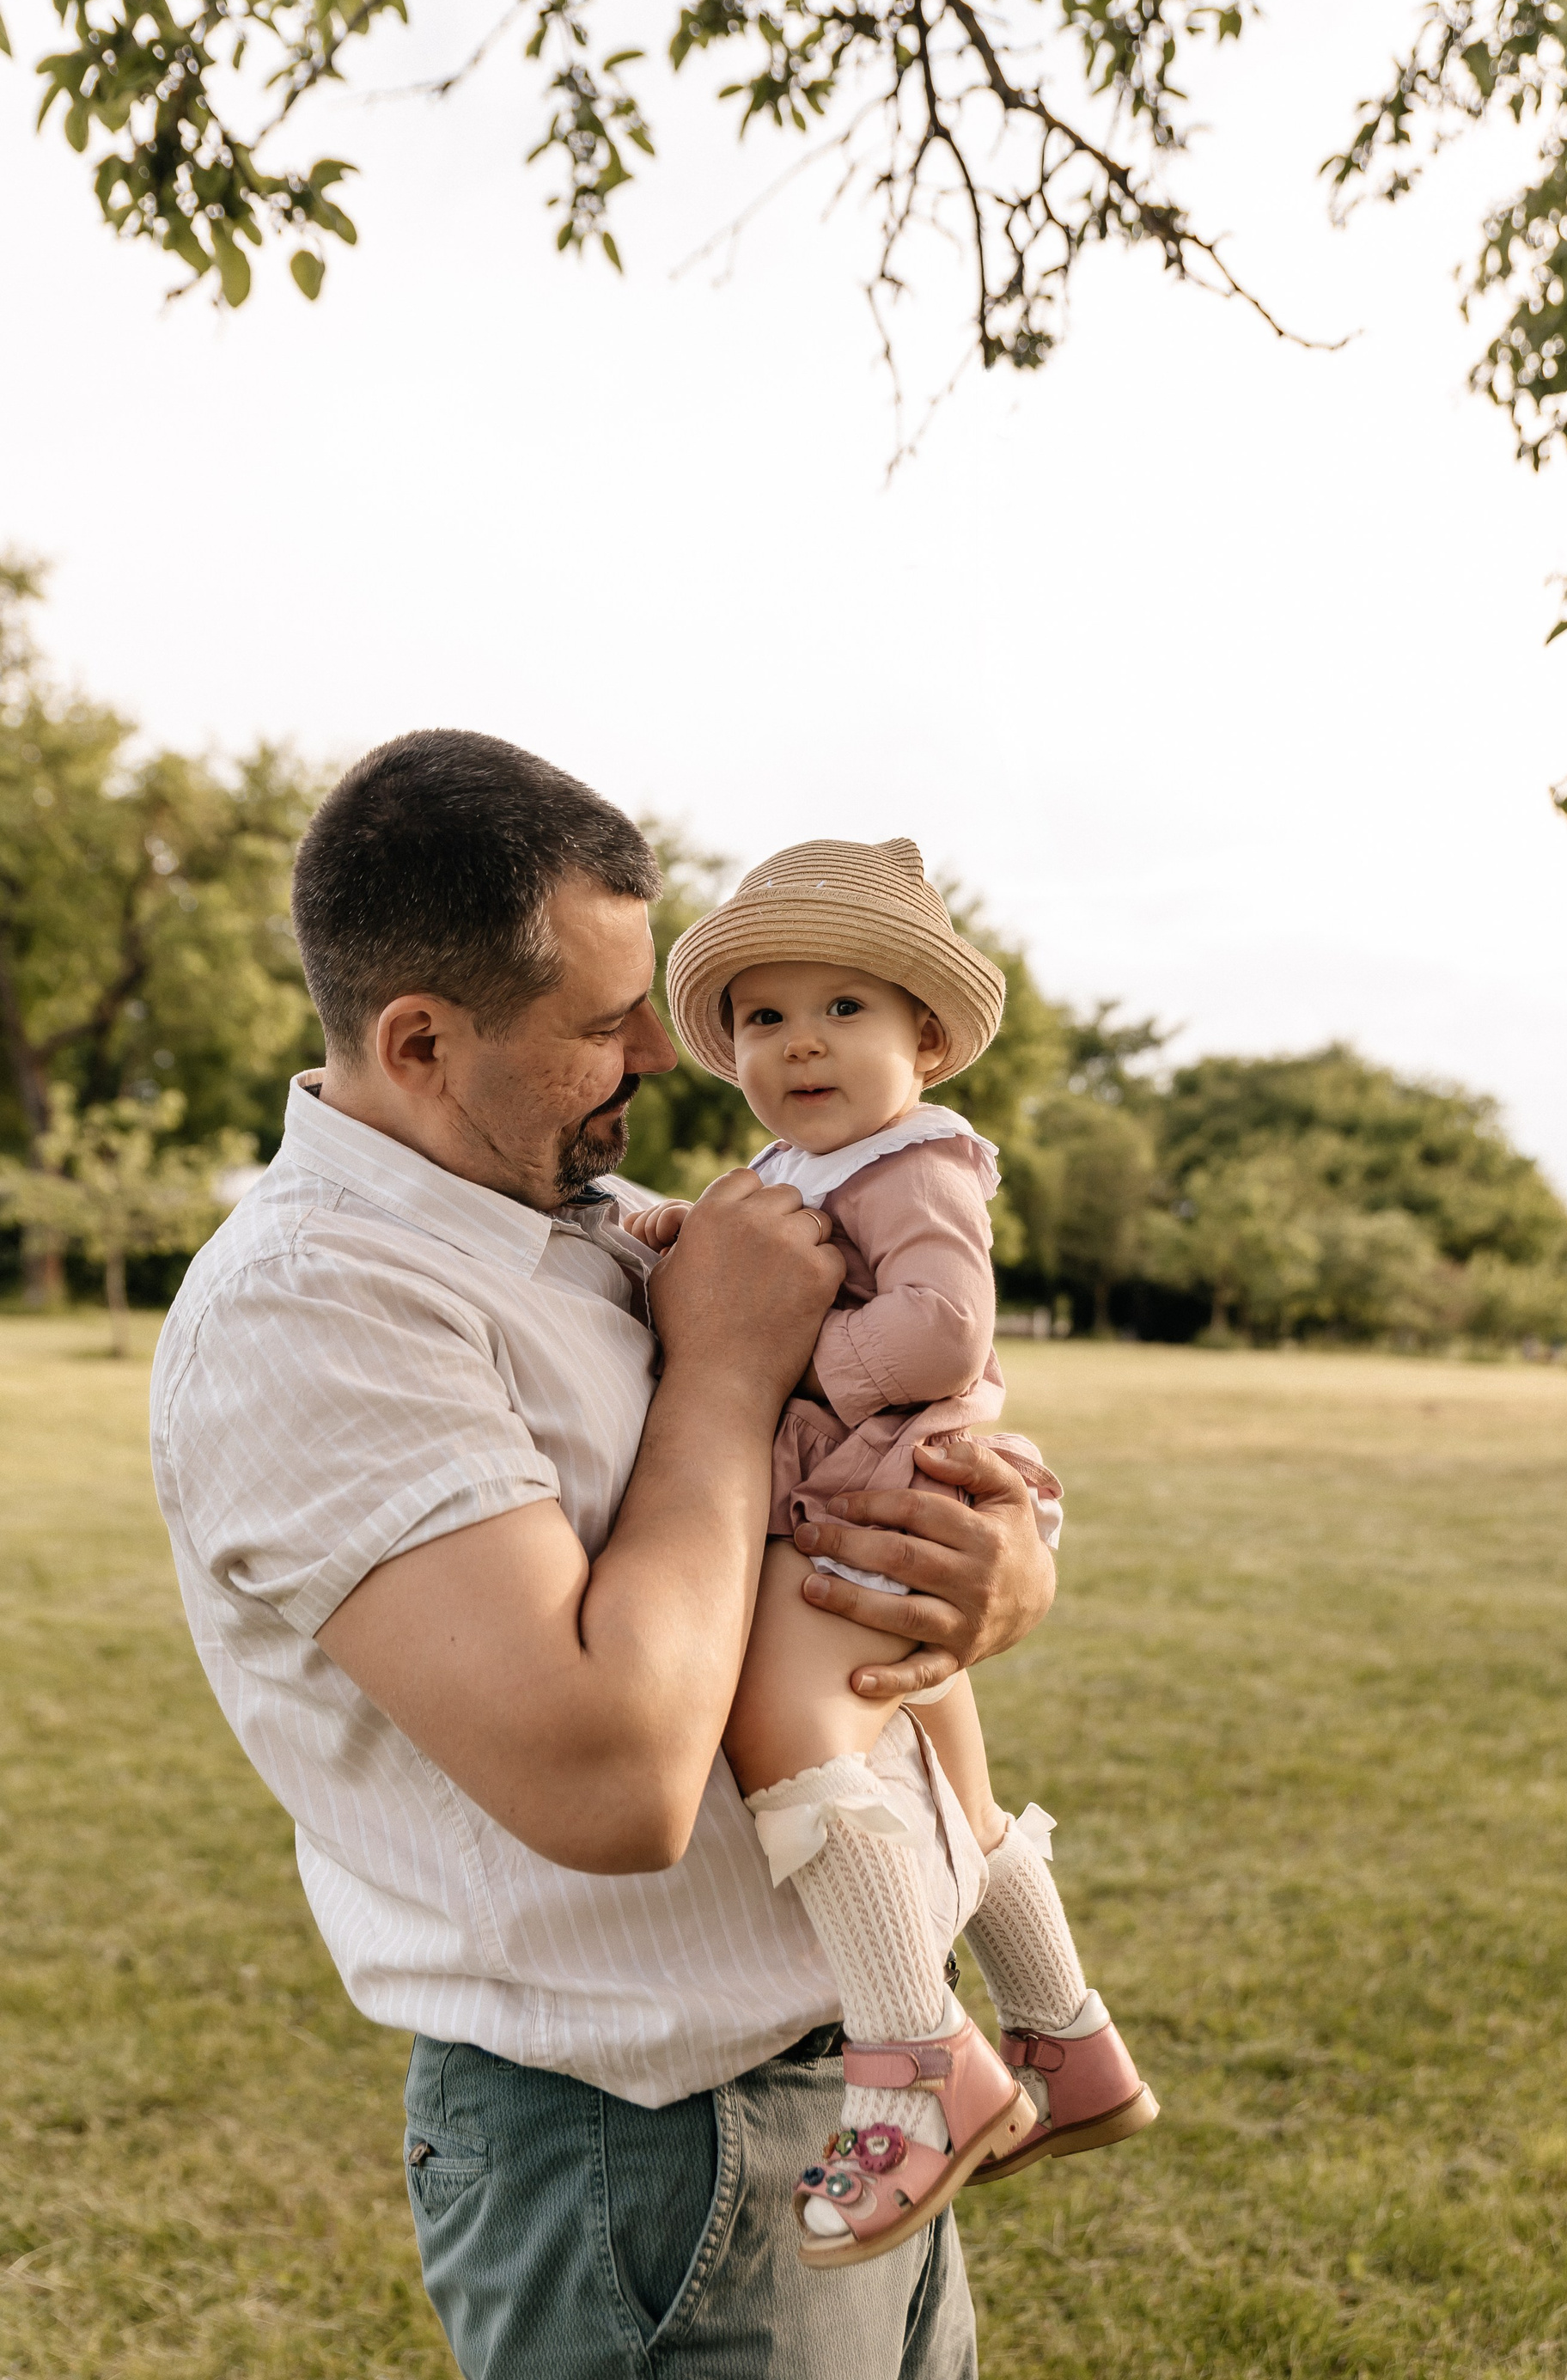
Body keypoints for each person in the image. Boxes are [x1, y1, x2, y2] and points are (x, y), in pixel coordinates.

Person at [149, 730, 1058, 2380]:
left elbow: (861, 1442)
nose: (660, 1049)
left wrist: (996, 1565)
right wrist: (723, 1372)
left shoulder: (581, 1208)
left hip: (859, 2085)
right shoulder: (315, 1309)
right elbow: (615, 1782)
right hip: (650, 2166)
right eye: (603, 1021)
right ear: (422, 1042)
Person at [623, 838, 1155, 2269]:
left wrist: (782, 1351)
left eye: (843, 1008)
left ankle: (919, 2064)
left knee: (789, 1734)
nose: (800, 1041)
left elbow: (944, 1331)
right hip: (868, 1486)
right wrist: (681, 1238)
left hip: (881, 1489)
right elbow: (751, 1241)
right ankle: (1068, 2043)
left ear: (926, 1039)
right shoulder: (800, 1163)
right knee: (952, 1783)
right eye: (765, 1015)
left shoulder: (919, 1164)